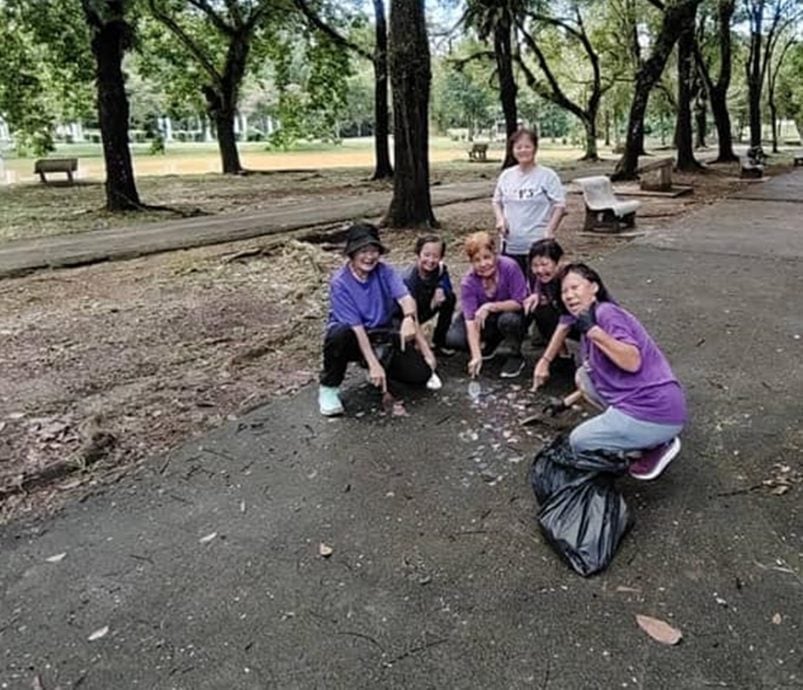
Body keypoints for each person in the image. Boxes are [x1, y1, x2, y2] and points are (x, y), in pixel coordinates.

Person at [533, 263, 687, 480]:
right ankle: (643, 437)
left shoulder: (606, 314)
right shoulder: (589, 323)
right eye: (564, 291)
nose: (569, 296)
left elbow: (632, 362)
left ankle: (654, 444)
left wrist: (593, 331)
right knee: (583, 377)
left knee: (579, 442)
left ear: (594, 287)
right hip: (645, 403)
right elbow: (597, 380)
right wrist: (564, 403)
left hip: (656, 410)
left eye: (575, 287)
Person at [318, 223, 438, 416]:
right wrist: (374, 363)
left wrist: (408, 318)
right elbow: (356, 328)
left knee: (420, 375)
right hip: (354, 339)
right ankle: (329, 388)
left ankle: (379, 367)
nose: (370, 257)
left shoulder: (385, 272)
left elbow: (406, 298)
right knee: (339, 333)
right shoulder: (340, 283)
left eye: (374, 250)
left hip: (382, 335)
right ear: (352, 253)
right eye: (363, 251)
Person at [444, 231, 528, 379]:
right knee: (454, 339)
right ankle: (490, 344)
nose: (483, 264)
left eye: (487, 257)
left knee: (509, 321)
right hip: (483, 319)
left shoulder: (510, 267)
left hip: (509, 312)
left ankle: (515, 355)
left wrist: (490, 306)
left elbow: (520, 302)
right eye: (477, 260)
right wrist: (476, 356)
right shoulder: (468, 282)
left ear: (495, 254)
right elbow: (470, 321)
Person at [492, 128, 567, 276]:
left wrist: (550, 230)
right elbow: (496, 201)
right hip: (511, 243)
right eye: (518, 147)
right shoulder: (506, 175)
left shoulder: (547, 176)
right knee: (513, 288)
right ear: (512, 150)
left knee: (539, 290)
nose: (523, 151)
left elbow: (560, 205)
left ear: (535, 148)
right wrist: (500, 220)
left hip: (538, 244)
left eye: (527, 146)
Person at [402, 234, 456, 356]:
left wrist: (441, 287)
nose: (431, 261)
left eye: (435, 256)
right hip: (405, 314)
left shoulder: (440, 269)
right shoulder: (409, 278)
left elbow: (445, 279)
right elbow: (411, 313)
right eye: (426, 255)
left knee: (450, 297)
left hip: (426, 306)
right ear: (418, 254)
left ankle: (439, 342)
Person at [522, 238, 567, 346]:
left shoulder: (570, 279)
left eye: (544, 264)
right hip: (564, 315)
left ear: (559, 262)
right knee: (538, 308)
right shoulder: (543, 279)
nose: (540, 270)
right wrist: (536, 295)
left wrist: (546, 360)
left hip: (590, 320)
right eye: (535, 265)